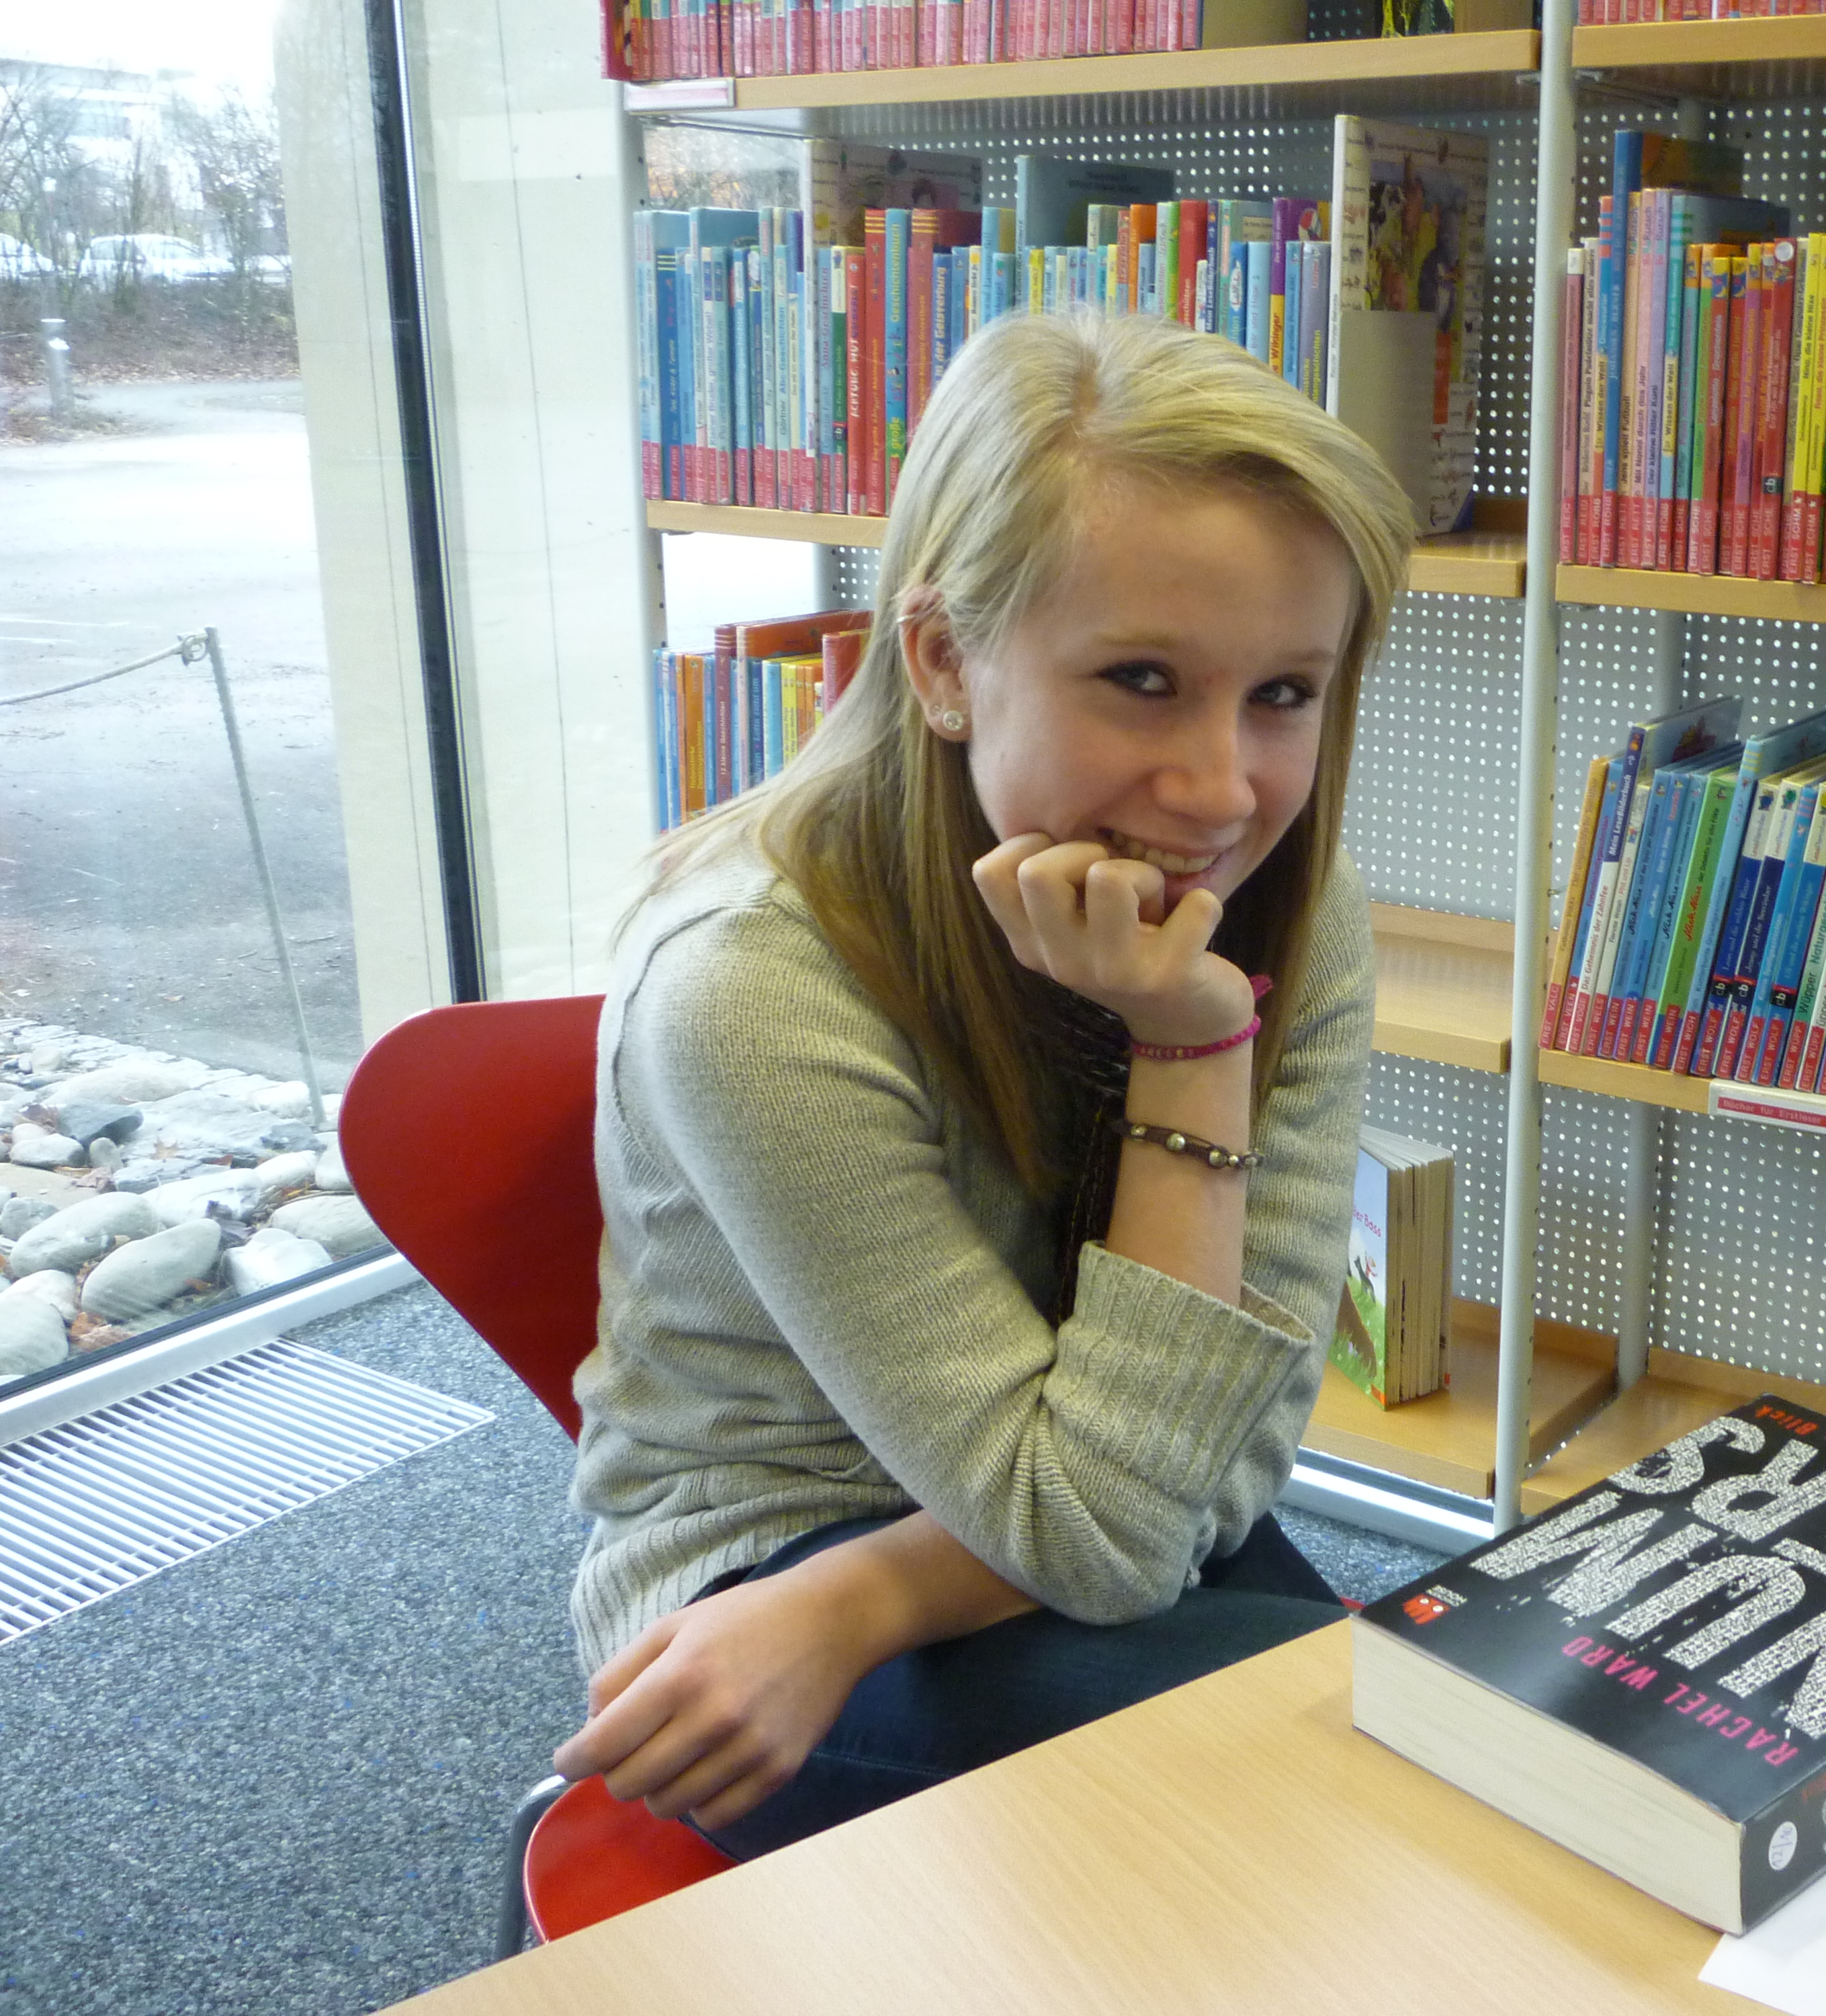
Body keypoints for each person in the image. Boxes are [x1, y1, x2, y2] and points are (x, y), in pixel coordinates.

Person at [552, 312, 1416, 1858]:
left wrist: (874, 1593)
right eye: (1140, 679)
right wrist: (1191, 1056)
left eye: (1284, 693)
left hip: (993, 1546)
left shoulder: (1288, 912)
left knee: (1428, 1758)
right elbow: (1101, 1534)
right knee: (1369, 1789)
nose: (1220, 790)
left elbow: (1218, 1458)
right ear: (944, 660)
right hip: (766, 1591)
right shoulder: (753, 982)